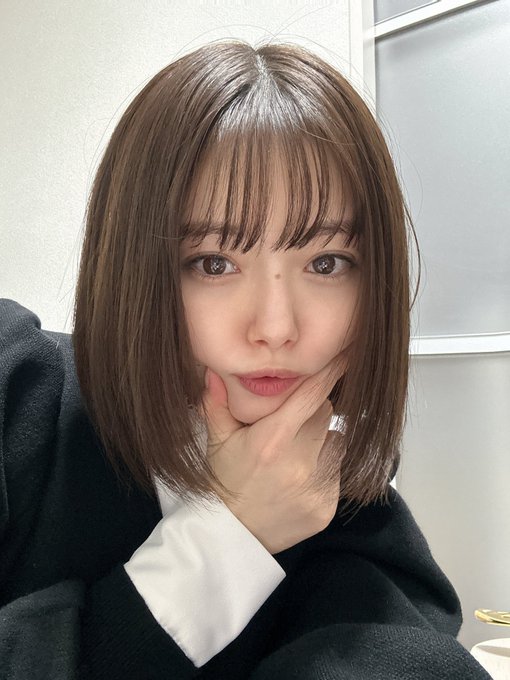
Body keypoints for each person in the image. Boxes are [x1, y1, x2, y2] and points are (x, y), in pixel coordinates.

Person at [0, 40, 490, 679]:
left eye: (326, 263)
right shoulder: (17, 396)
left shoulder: (352, 517)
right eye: (213, 263)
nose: (277, 328)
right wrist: (227, 536)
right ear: (130, 267)